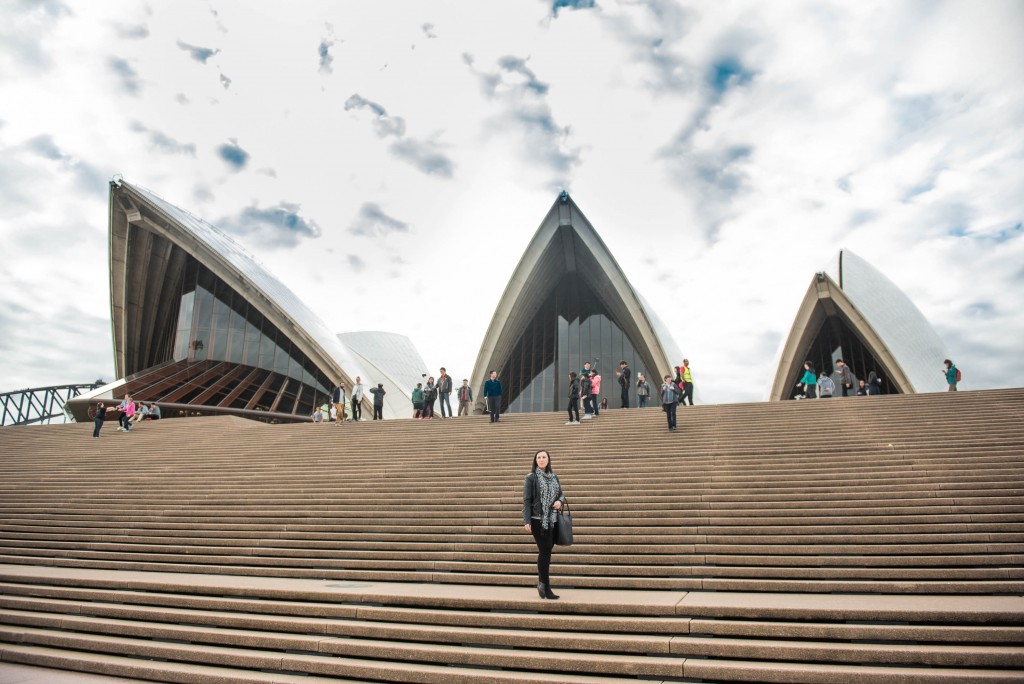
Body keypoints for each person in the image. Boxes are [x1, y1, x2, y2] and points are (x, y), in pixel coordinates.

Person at [522, 449, 565, 600]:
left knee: (546, 552)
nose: (541, 460)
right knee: (545, 550)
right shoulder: (531, 478)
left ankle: (543, 585)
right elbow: (527, 500)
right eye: (538, 457)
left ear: (548, 460)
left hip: (552, 520)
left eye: (543, 457)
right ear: (535, 461)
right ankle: (545, 585)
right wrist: (526, 520)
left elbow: (561, 493)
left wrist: (560, 501)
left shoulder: (554, 477)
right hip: (537, 520)